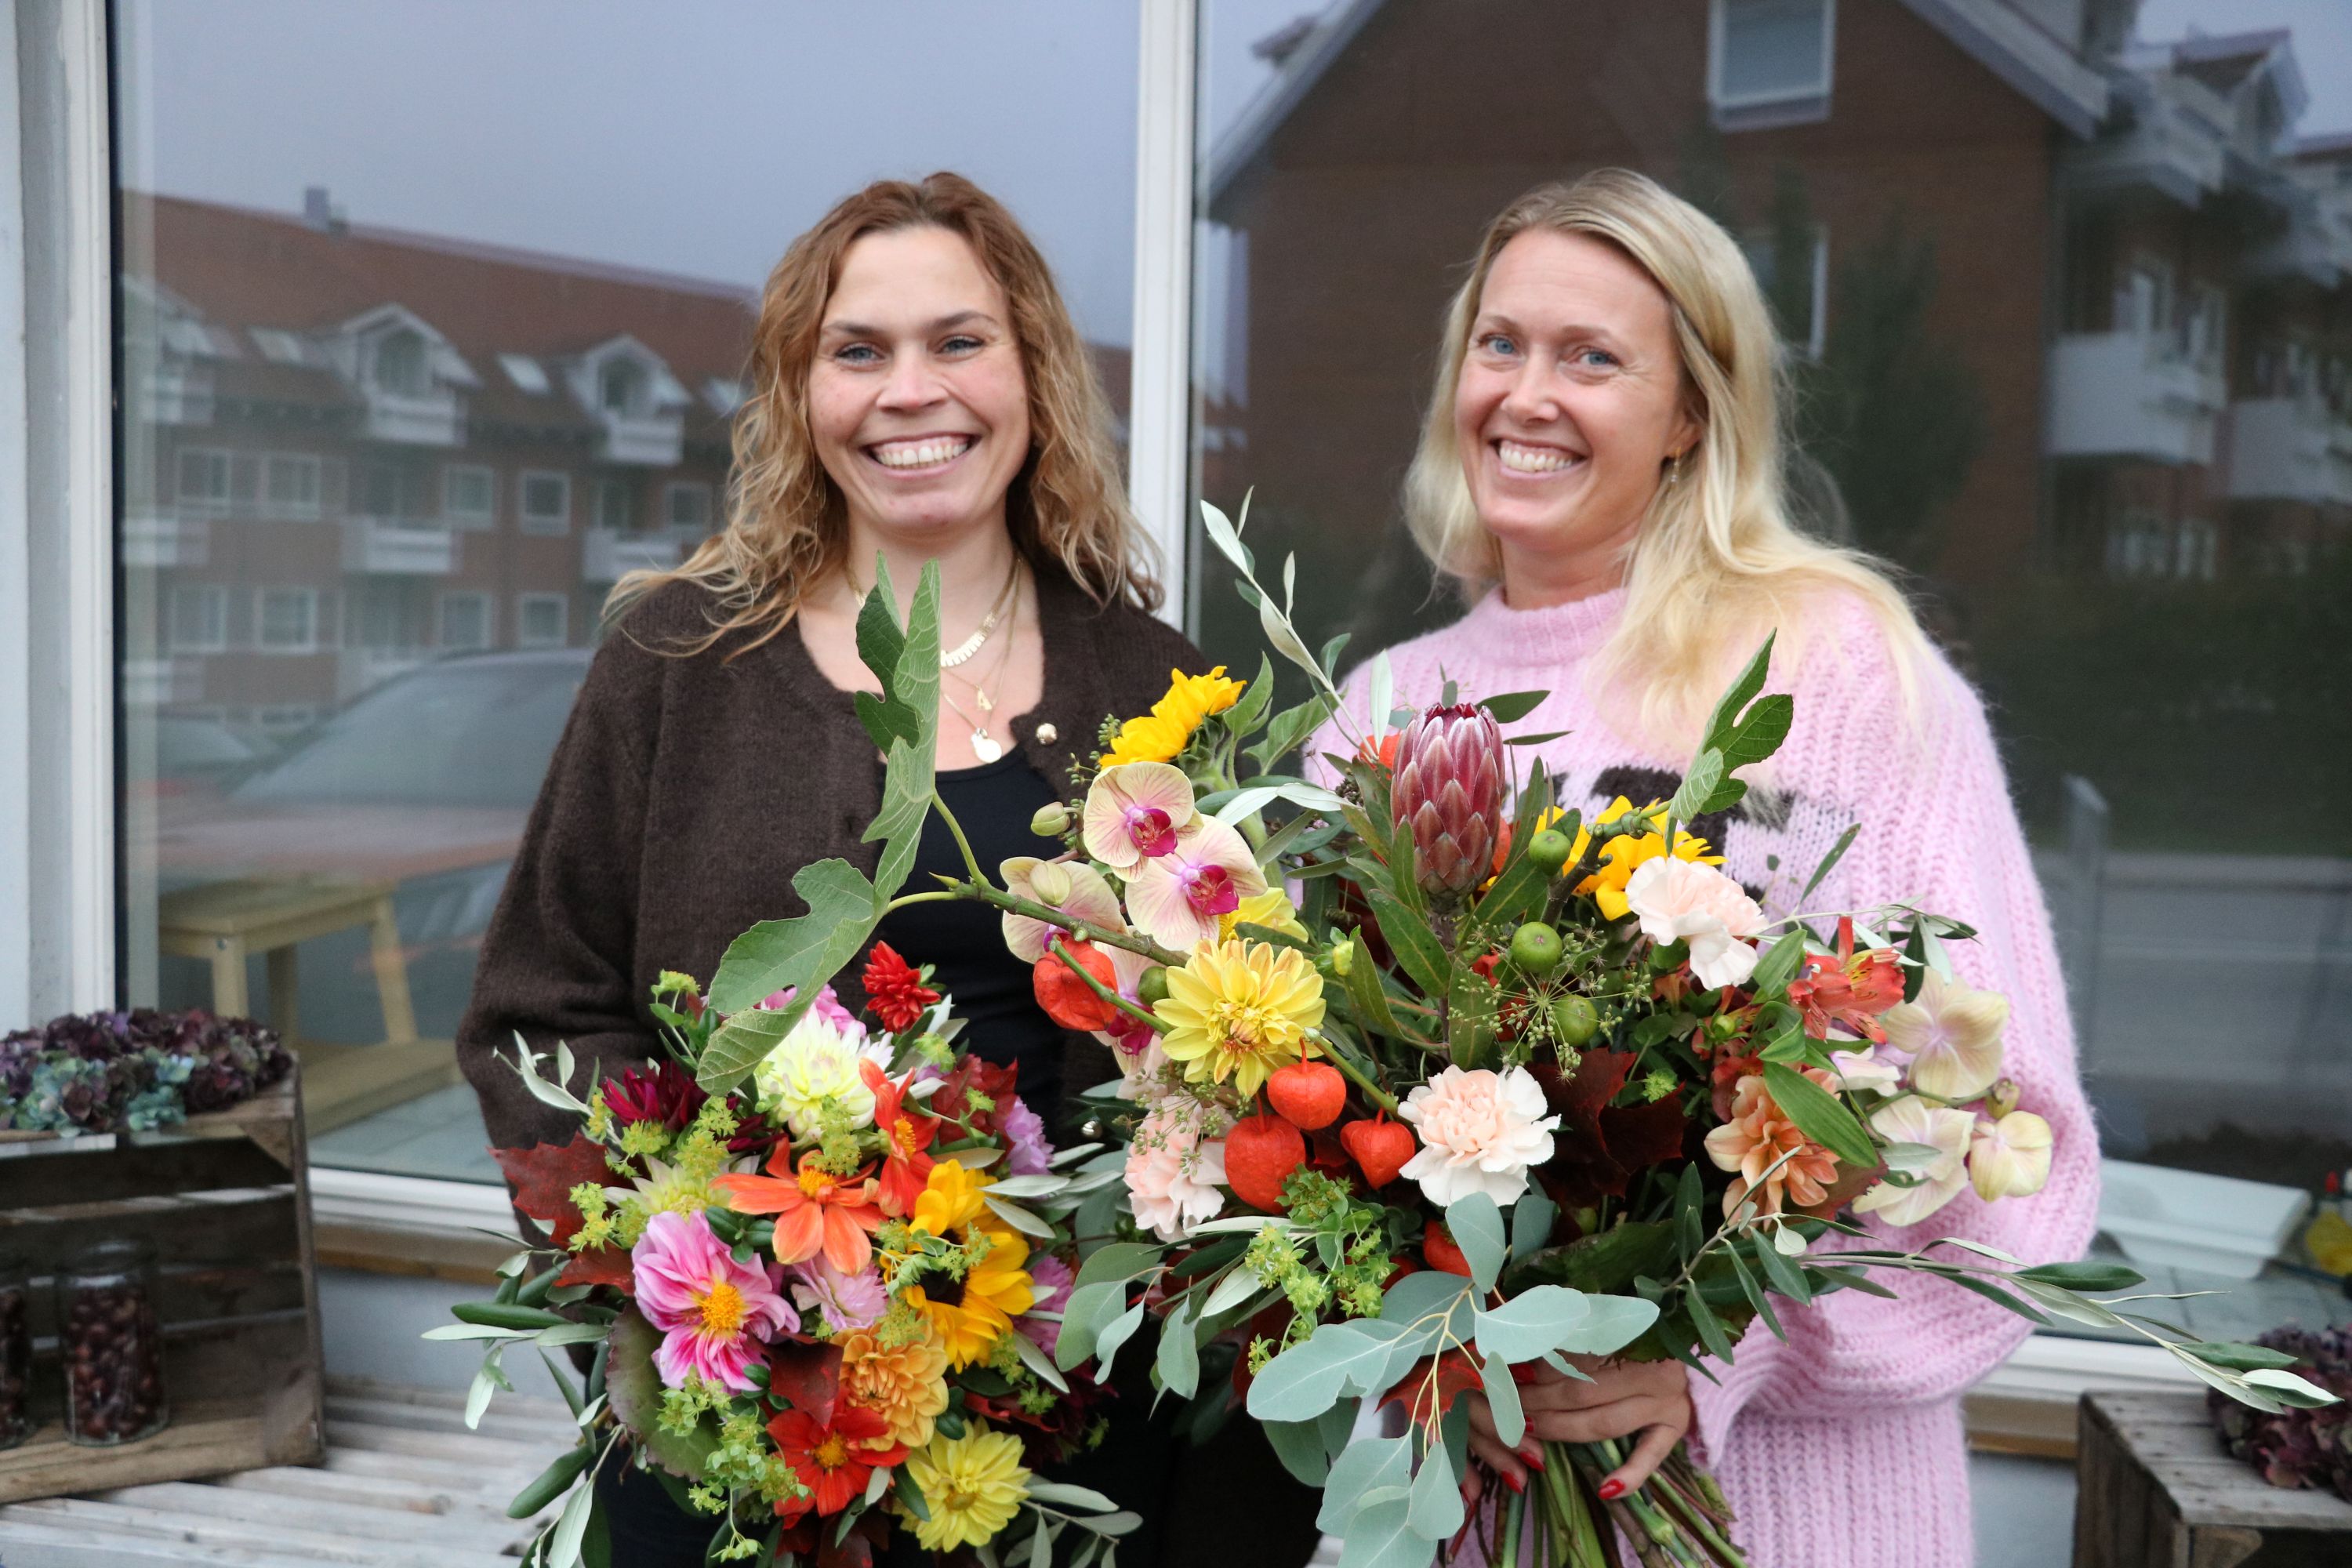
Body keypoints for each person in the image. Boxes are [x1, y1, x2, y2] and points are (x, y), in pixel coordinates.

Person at [456, 173, 1317, 1567]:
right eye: (859, 352)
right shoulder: (680, 663)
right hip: (766, 1423)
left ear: (1034, 374)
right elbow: (539, 1001)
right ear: (801, 399)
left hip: (1100, 1410)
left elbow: (1260, 1036)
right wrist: (707, 1258)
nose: (911, 391)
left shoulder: (1159, 686)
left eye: (960, 342)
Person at [1326, 169, 2098, 1567]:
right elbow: (1312, 1143)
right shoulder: (1379, 714)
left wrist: (1722, 1354)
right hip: (1487, 1518)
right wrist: (1419, 1342)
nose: (1527, 395)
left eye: (1593, 358)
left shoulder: (1841, 662)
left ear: (1690, 414)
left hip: (1801, 1520)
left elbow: (2005, 1138)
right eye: (1499, 345)